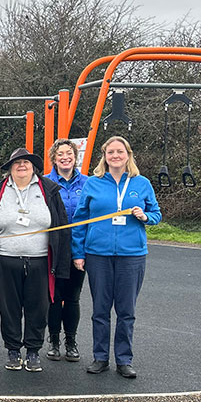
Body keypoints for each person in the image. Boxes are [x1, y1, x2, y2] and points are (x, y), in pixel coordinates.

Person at [72, 135, 161, 379]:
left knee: (126, 310)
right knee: (100, 309)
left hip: (131, 255)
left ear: (128, 155)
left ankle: (124, 359)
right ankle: (100, 357)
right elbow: (80, 220)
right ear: (105, 156)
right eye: (110, 152)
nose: (115, 156)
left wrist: (145, 217)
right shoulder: (93, 183)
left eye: (120, 152)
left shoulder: (141, 183)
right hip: (98, 254)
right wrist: (78, 253)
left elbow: (156, 214)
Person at [0, 147, 71, 373]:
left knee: (38, 308)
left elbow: (62, 228)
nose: (21, 166)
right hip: (6, 259)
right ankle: (13, 350)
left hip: (40, 261)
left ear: (33, 167)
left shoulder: (49, 190)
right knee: (9, 308)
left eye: (26, 162)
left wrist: (62, 263)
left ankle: (33, 350)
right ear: (10, 168)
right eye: (16, 163)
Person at [43, 139, 88, 363]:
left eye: (69, 153)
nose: (65, 157)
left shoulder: (88, 183)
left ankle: (71, 341)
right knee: (54, 296)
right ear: (54, 158)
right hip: (54, 248)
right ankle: (53, 341)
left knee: (72, 297)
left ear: (75, 156)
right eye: (60, 154)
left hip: (78, 248)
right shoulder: (45, 183)